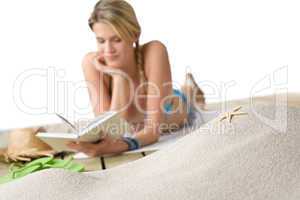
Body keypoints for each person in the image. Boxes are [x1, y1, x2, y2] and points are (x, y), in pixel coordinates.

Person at [67, 0, 205, 156]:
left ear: (135, 34)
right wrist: (119, 77)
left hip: (175, 108)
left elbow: (153, 132)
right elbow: (109, 130)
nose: (108, 50)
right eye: (101, 41)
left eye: (117, 40)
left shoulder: (154, 51)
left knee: (192, 99)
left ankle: (189, 89)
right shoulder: (92, 63)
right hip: (147, 107)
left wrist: (122, 145)